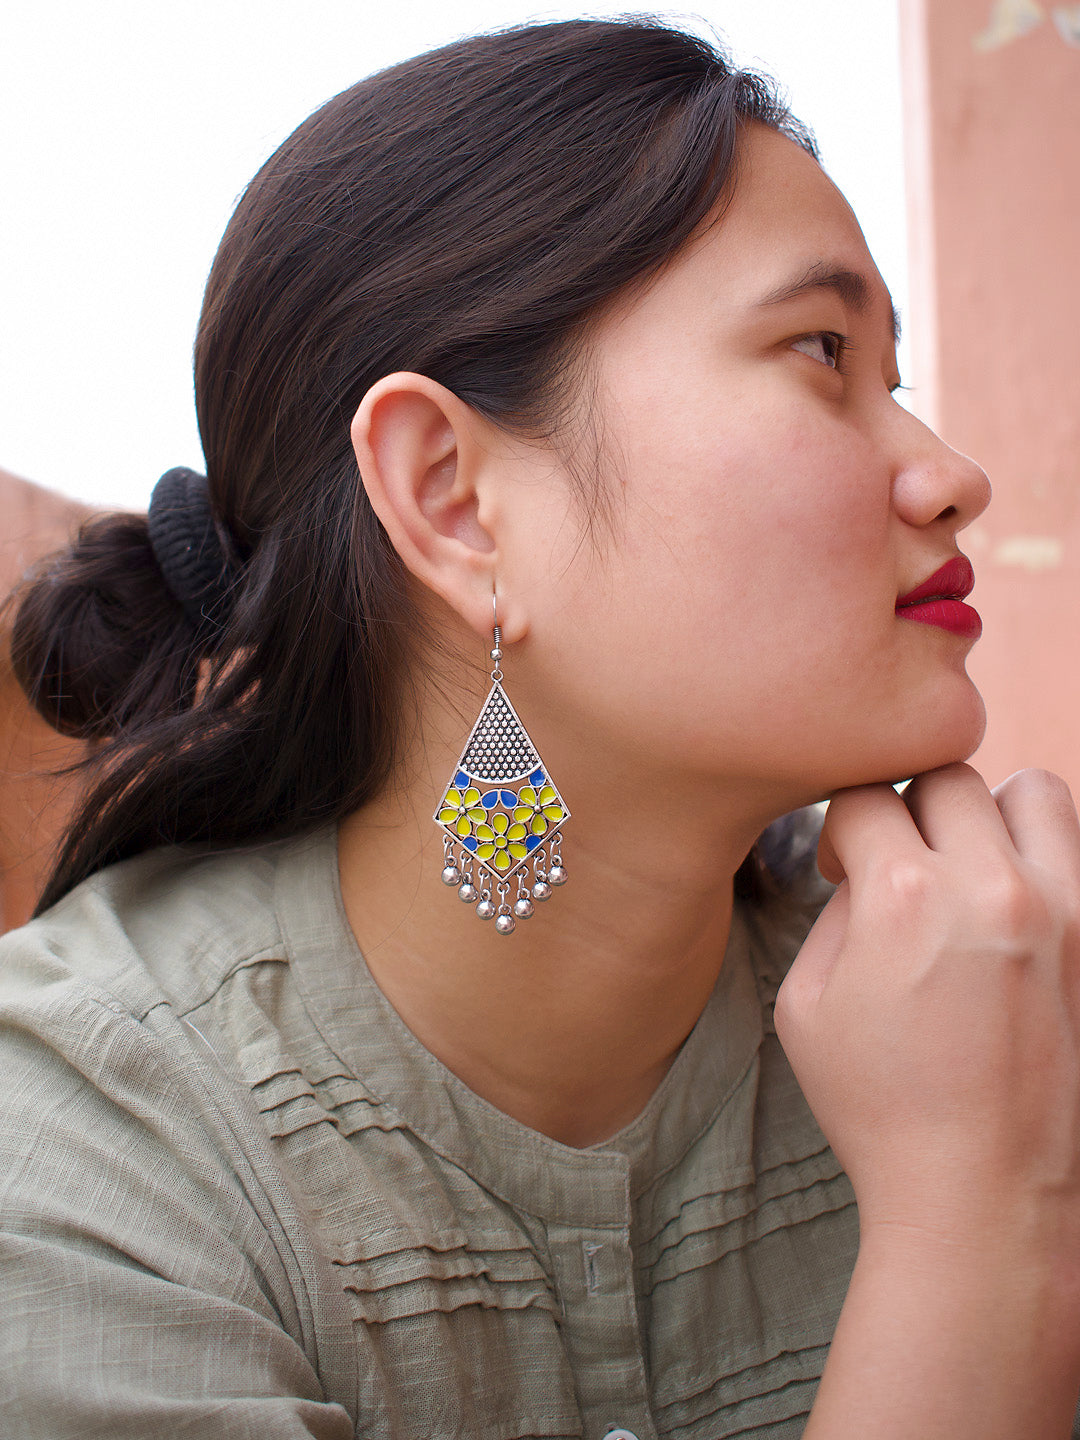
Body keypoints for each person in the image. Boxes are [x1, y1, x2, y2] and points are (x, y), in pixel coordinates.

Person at [2, 17, 1079, 1439]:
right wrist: (973, 1214)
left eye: (899, 380)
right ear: (452, 496)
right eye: (821, 352)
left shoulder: (1000, 1004)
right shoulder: (86, 1149)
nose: (952, 477)